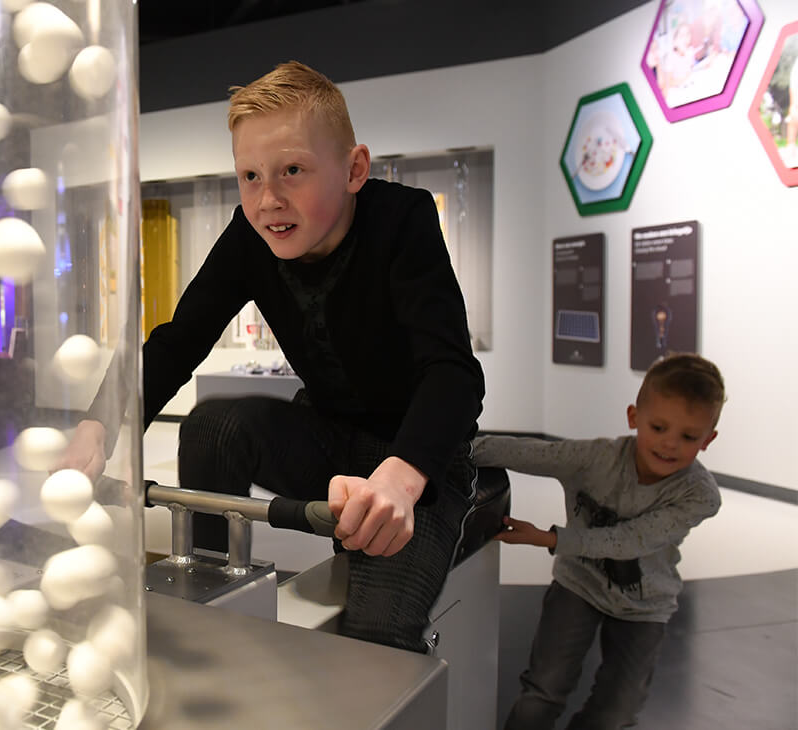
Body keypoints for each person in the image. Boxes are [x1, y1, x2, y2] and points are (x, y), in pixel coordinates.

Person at [65, 61, 485, 653]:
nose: (269, 199)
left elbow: (453, 372)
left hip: (415, 455)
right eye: (251, 176)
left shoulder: (403, 219)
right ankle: (211, 584)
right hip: (326, 437)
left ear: (354, 169)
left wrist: (402, 476)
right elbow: (180, 338)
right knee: (212, 427)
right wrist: (98, 424)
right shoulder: (249, 235)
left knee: (376, 637)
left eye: (293, 170)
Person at [476, 353, 725, 730]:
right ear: (633, 417)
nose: (670, 444)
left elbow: (630, 541)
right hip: (578, 587)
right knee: (544, 691)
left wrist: (549, 538)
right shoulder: (596, 458)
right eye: (659, 427)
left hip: (645, 608)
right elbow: (529, 453)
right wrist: (445, 450)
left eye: (688, 436)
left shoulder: (701, 495)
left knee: (617, 712)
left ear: (708, 439)